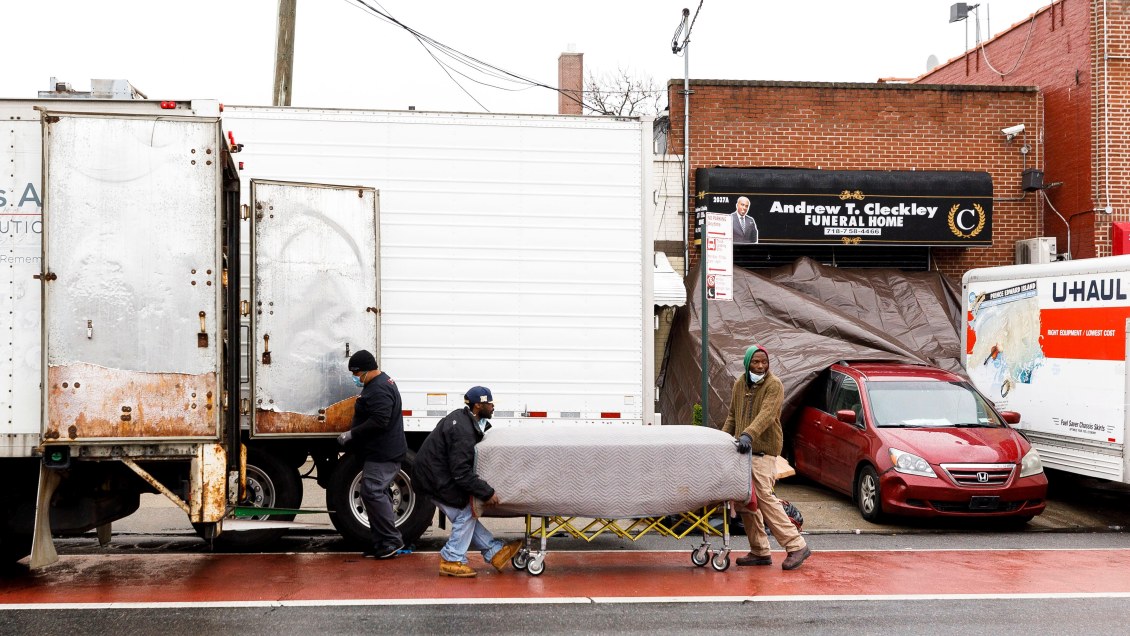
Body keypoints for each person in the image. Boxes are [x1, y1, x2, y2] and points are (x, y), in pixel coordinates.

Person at [412, 385, 523, 578]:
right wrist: (486, 492)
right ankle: (451, 558)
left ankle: (494, 551)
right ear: (478, 406)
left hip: (432, 475)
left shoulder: (466, 421)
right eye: (490, 402)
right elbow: (461, 472)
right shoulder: (463, 430)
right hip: (434, 478)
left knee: (465, 515)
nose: (493, 406)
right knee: (466, 510)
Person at [723, 344, 812, 570]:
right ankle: (760, 550)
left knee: (764, 498)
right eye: (756, 362)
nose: (760, 366)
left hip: (762, 452)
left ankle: (796, 545)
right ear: (747, 363)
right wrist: (722, 441)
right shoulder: (739, 384)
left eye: (764, 362)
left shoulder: (774, 385)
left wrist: (748, 435)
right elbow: (732, 415)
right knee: (745, 502)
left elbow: (767, 414)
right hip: (743, 451)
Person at [337, 350, 407, 559]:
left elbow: (380, 420)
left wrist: (352, 434)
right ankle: (381, 543)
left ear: (365, 371)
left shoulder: (379, 389)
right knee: (376, 494)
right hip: (380, 452)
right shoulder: (380, 384)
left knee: (372, 492)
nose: (355, 378)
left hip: (382, 453)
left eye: (356, 374)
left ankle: (391, 541)